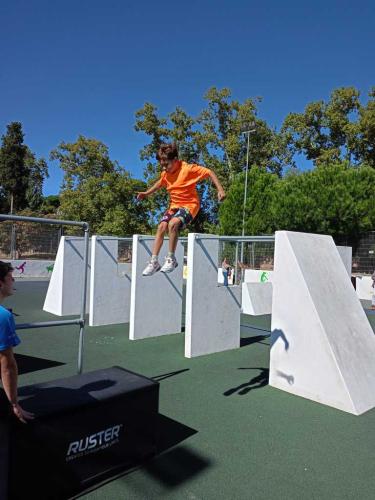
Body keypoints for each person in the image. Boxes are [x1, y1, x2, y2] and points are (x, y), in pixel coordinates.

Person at [137, 143, 226, 275]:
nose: (164, 167)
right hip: (175, 206)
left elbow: (209, 172)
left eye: (166, 164)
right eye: (161, 165)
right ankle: (154, 261)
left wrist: (220, 189)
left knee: (173, 224)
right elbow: (159, 184)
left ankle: (171, 259)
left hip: (190, 205)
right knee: (161, 226)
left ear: (175, 159)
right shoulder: (165, 174)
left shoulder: (188, 169)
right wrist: (146, 193)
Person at [0, 261, 33, 423]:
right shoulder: (3, 316)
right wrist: (14, 404)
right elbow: (7, 366)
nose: (13, 281)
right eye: (10, 277)